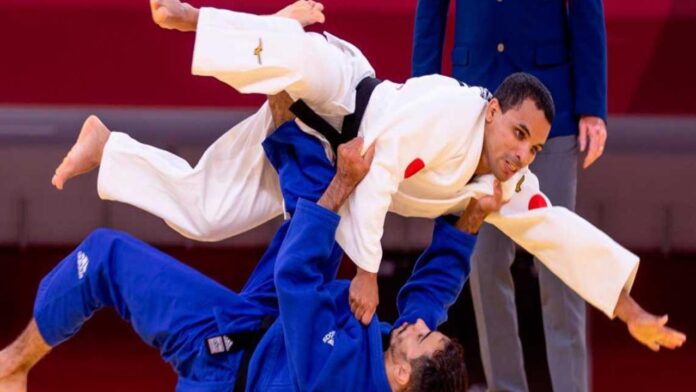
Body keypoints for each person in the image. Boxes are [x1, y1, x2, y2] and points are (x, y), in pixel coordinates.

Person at [51, 1, 644, 330]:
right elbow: (379, 174)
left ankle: (108, 147)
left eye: (535, 148)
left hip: (320, 154)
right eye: (519, 134)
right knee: (299, 60)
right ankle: (197, 18)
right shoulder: (451, 112)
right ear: (493, 111)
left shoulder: (504, 181)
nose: (523, 153)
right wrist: (364, 271)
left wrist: (630, 309)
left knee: (205, 214)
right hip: (346, 98)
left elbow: (561, 236)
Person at [0, 137, 478, 392]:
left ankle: (13, 366)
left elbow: (296, 280)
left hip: (223, 362)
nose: (415, 328)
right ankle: (282, 100)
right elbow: (432, 294)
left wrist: (344, 187)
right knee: (323, 189)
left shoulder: (339, 382)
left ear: (401, 375)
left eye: (420, 337)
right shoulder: (409, 355)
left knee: (105, 255)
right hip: (273, 330)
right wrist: (471, 222)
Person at [412, 0, 608, 389]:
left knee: (560, 267)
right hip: (477, 103)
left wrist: (592, 106)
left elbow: (586, 9)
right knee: (484, 267)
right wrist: (424, 98)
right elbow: (430, 10)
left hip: (552, 105)